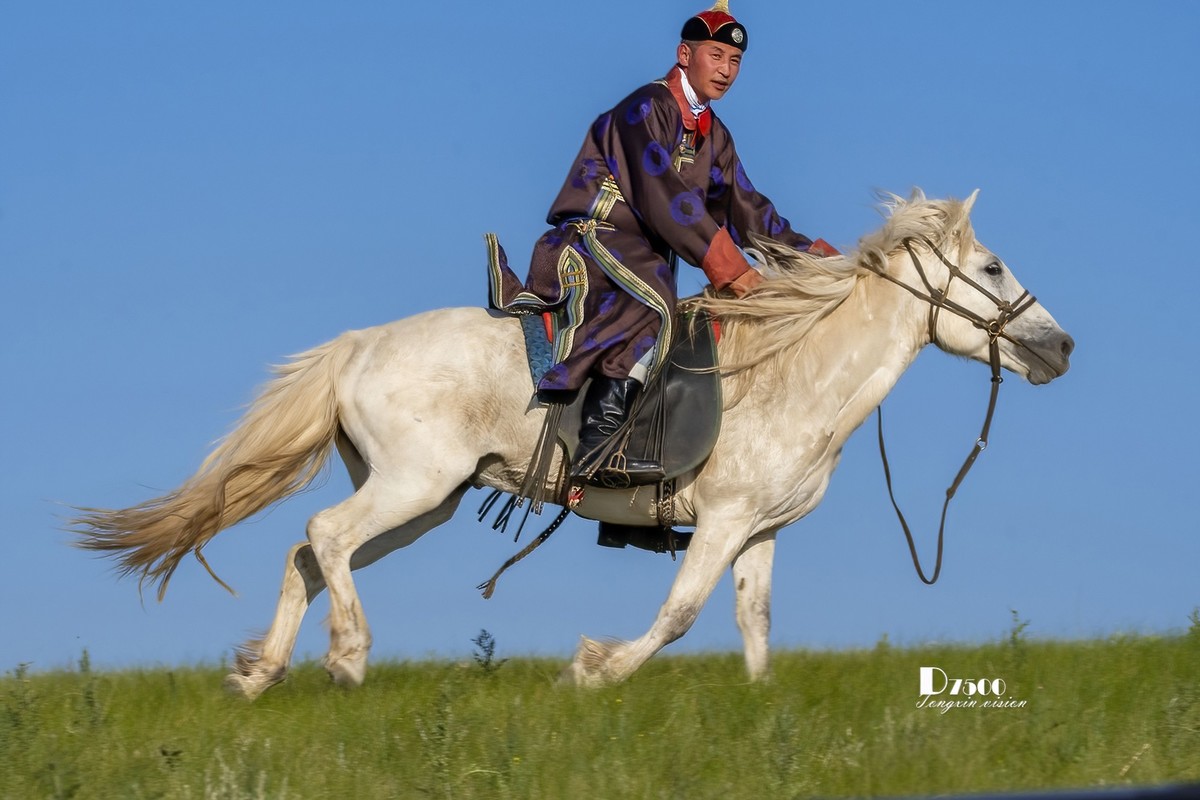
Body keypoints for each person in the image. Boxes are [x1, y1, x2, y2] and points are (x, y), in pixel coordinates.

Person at [491, 0, 835, 487]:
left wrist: (818, 265)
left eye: (735, 61)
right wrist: (733, 270)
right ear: (684, 53)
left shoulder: (715, 136)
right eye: (716, 56)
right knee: (658, 301)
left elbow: (747, 209)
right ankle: (598, 441)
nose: (726, 70)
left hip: (641, 253)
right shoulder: (645, 109)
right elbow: (664, 198)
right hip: (595, 236)